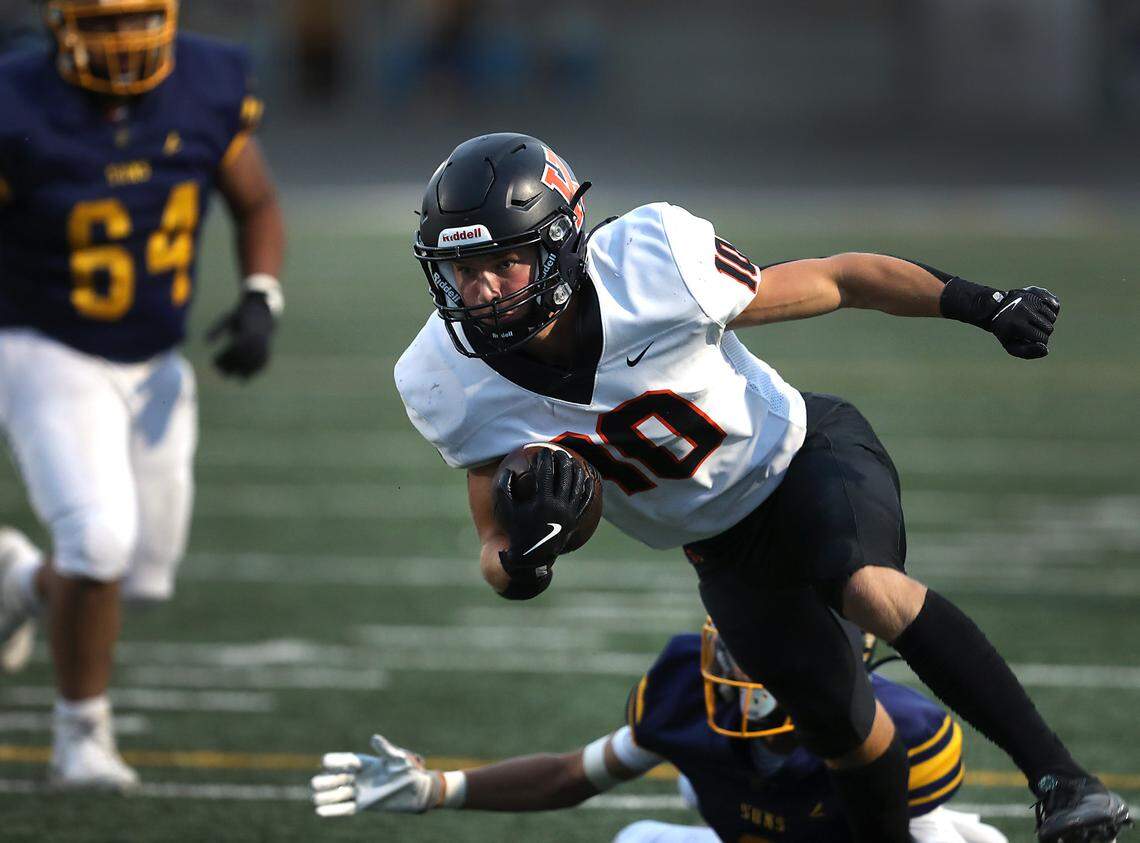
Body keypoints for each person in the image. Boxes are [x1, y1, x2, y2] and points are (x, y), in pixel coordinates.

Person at [390, 133, 1131, 842]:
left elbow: (837, 279)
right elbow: (494, 546)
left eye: (506, 262)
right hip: (719, 547)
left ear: (558, 244)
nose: (481, 291)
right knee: (843, 732)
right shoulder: (445, 378)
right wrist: (526, 560)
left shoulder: (653, 266)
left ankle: (1063, 779)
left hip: (803, 455)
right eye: (463, 270)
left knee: (865, 586)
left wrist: (981, 303)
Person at [0, 0, 285, 790]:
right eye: (102, 22)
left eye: (136, 19)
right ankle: (79, 736)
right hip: (44, 346)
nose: (122, 43)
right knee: (97, 544)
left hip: (155, 362)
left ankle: (19, 582)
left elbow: (254, 199)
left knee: (140, 578)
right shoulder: (14, 99)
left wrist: (262, 295)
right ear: (59, 24)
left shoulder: (206, 80)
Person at [311, 621, 1008, 843]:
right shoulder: (684, 689)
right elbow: (572, 774)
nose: (745, 665)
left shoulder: (906, 733)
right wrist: (439, 787)